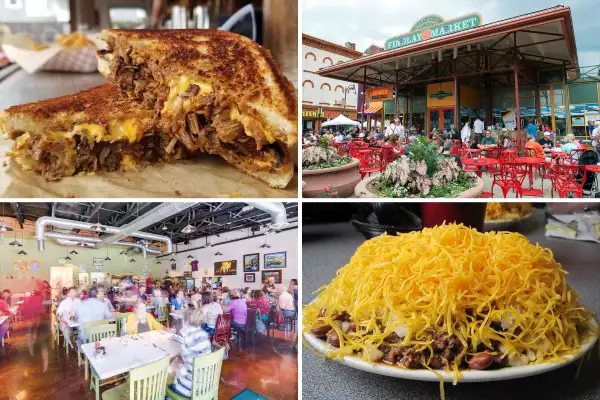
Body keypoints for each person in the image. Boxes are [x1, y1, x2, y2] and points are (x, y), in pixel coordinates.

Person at [168, 308, 212, 398]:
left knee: (168, 376)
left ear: (186, 321)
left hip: (191, 388)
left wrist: (173, 367)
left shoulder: (187, 337)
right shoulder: (204, 335)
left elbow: (182, 363)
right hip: (206, 382)